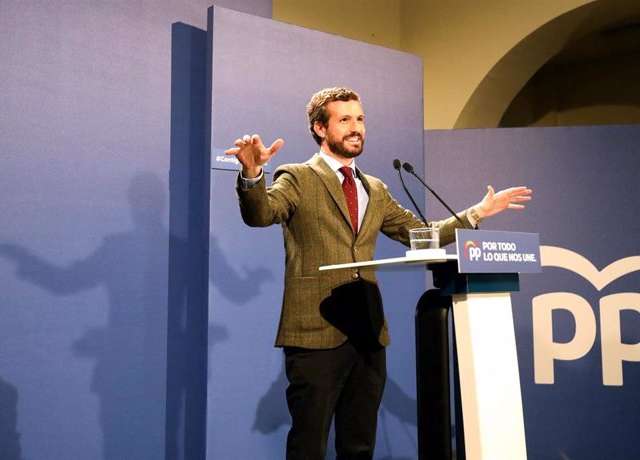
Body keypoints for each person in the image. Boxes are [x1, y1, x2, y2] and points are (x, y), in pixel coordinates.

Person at [225, 87, 532, 459]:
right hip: (314, 334)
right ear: (320, 128)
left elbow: (421, 234)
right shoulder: (298, 177)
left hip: (368, 335)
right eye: (345, 120)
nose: (356, 128)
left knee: (359, 446)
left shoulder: (375, 188)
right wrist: (253, 173)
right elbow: (261, 214)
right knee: (308, 446)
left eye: (360, 119)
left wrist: (477, 213)